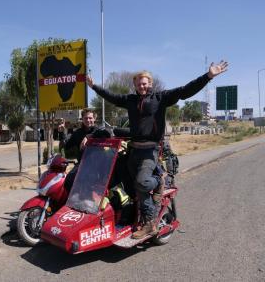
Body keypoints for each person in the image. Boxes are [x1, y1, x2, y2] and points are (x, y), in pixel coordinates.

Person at [87, 60, 229, 239]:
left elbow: (185, 91)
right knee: (129, 185)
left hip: (150, 150)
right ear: (135, 85)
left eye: (145, 83)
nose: (142, 86)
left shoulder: (160, 98)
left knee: (142, 183)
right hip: (134, 150)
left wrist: (208, 77)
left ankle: (151, 219)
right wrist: (94, 87)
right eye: (138, 83)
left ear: (150, 84)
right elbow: (112, 97)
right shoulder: (130, 100)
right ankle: (131, 216)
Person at [62, 108, 98, 192]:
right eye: (85, 118)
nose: (88, 120)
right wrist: (62, 132)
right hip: (83, 164)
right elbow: (67, 146)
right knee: (68, 181)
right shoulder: (78, 133)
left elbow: (106, 133)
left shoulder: (98, 130)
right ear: (82, 119)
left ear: (94, 119)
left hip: (98, 166)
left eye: (90, 118)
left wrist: (88, 137)